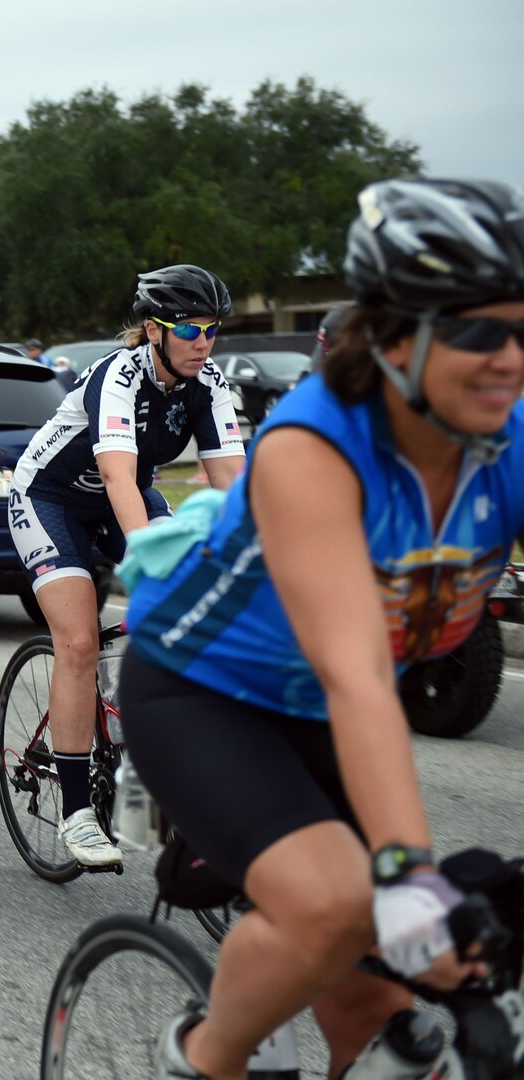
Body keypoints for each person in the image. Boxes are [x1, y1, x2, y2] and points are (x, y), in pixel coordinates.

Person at [121, 179, 524, 1079]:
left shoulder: (509, 435)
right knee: (341, 904)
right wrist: (409, 879)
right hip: (205, 692)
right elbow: (355, 680)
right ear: (390, 335)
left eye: (522, 329)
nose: (506, 358)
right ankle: (204, 1060)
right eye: (473, 329)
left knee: (394, 1034)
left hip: (328, 704)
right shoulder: (314, 446)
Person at [9, 264, 245, 868]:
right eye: (189, 328)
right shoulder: (118, 375)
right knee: (81, 640)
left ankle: (151, 764)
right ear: (152, 329)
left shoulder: (209, 383)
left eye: (211, 329)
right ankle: (75, 809)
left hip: (129, 500)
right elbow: (117, 474)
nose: (202, 341)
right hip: (51, 500)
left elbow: (233, 487)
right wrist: (152, 566)